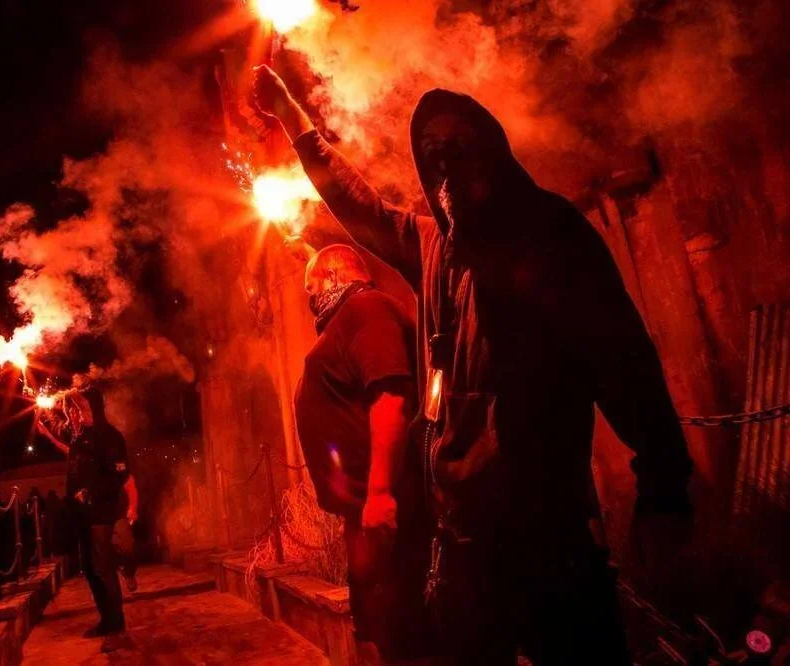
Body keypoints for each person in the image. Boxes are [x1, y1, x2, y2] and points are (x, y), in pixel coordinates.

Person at [255, 65, 694, 664]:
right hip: (463, 543)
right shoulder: (435, 247)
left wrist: (664, 491)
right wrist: (291, 116)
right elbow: (357, 203)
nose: (448, 170)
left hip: (549, 535)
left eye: (460, 150)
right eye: (433, 158)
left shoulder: (553, 240)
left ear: (494, 150)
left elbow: (627, 365)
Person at [294, 244, 435, 663]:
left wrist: (380, 493)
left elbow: (389, 396)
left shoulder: (367, 308)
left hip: (392, 515)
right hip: (366, 516)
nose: (309, 298)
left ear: (336, 279)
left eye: (312, 287)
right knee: (386, 632)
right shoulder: (347, 318)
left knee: (409, 634)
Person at [37, 390, 136, 653]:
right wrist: (46, 429)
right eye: (72, 407)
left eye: (79, 406)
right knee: (90, 570)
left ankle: (118, 628)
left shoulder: (110, 436)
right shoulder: (82, 436)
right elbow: (72, 456)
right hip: (82, 514)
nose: (74, 412)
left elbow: (119, 475)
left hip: (102, 514)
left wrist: (91, 493)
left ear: (94, 407)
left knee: (103, 569)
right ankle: (106, 620)